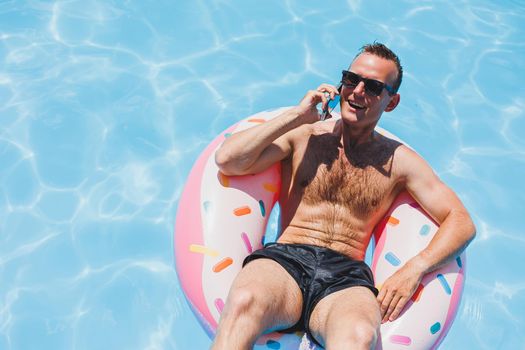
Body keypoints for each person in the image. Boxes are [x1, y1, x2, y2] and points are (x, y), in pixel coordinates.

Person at [212, 42, 476, 350]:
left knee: (361, 336)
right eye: (351, 79)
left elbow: (461, 222)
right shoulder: (304, 136)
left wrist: (414, 269)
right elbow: (228, 160)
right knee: (245, 301)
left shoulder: (400, 162)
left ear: (391, 102)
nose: (357, 91)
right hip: (284, 262)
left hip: (346, 278)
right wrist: (297, 115)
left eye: (374, 87)